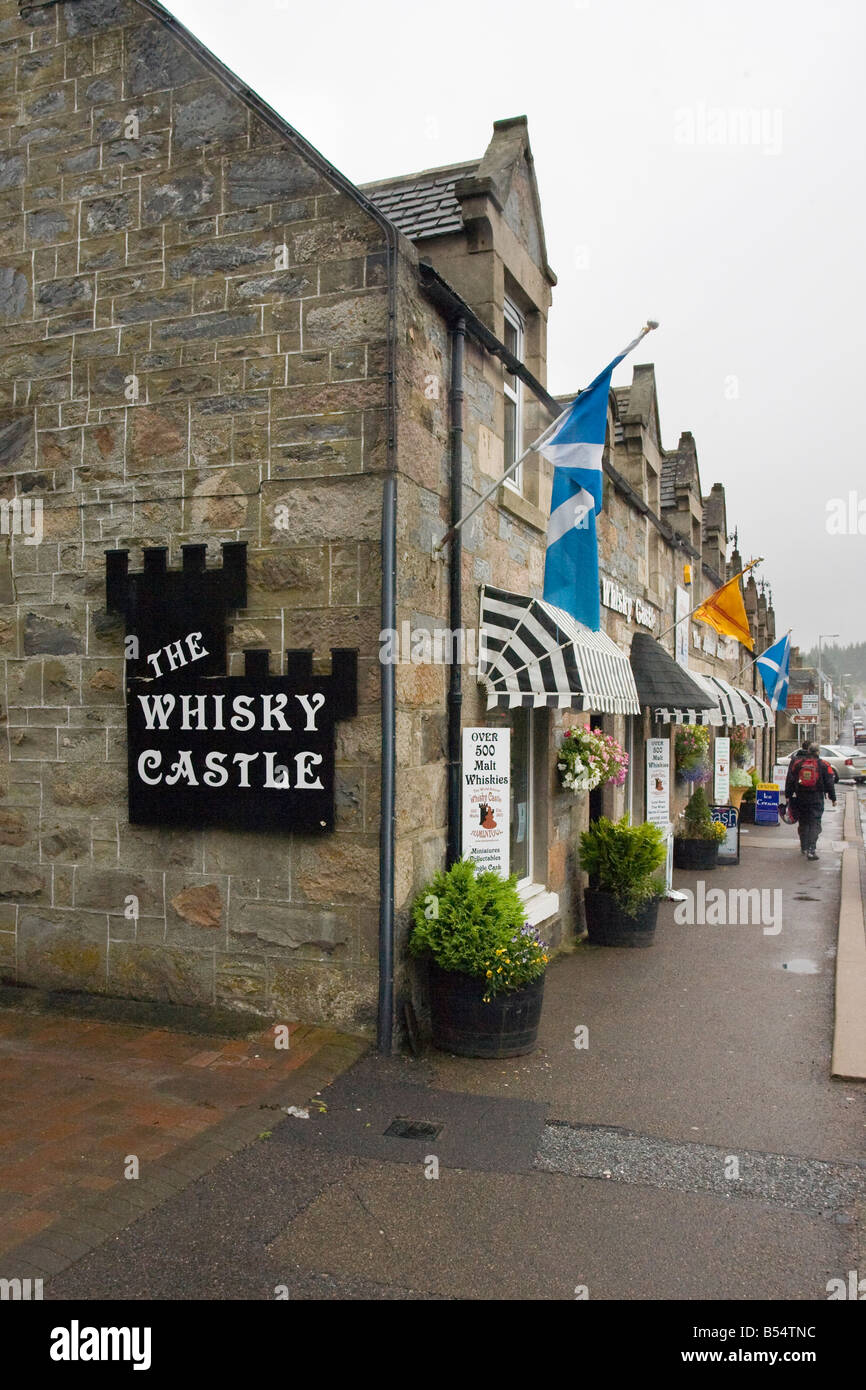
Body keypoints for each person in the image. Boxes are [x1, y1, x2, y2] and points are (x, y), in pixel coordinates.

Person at [785, 741, 836, 859]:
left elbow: (790, 779)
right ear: (818, 752)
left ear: (808, 751)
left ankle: (804, 846)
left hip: (801, 797)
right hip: (816, 798)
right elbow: (829, 782)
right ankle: (812, 850)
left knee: (803, 822)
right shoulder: (823, 764)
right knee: (815, 822)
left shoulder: (798, 763)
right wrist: (833, 798)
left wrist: (788, 795)